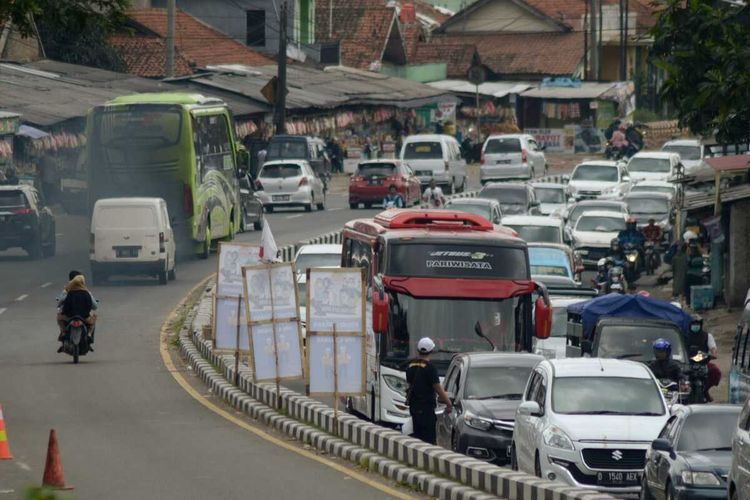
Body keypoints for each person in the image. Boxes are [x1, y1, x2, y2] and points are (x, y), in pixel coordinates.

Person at [405, 337, 452, 444]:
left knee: (417, 437)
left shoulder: (410, 366)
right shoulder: (430, 368)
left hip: (414, 408)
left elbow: (409, 384)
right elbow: (438, 389)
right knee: (429, 439)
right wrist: (449, 403)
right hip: (427, 409)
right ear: (431, 351)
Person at [57, 271, 98, 351]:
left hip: (70, 317)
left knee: (59, 317)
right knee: (94, 317)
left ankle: (63, 332)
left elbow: (66, 306)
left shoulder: (69, 292)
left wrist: (64, 312)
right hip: (84, 317)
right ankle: (89, 334)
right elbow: (93, 306)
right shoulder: (87, 293)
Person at [686, 315, 721, 402]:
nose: (695, 326)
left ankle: (705, 390)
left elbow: (713, 348)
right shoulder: (685, 336)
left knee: (715, 371)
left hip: (702, 362)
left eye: (697, 324)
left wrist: (713, 354)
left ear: (701, 325)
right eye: (694, 324)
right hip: (687, 362)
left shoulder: (707, 336)